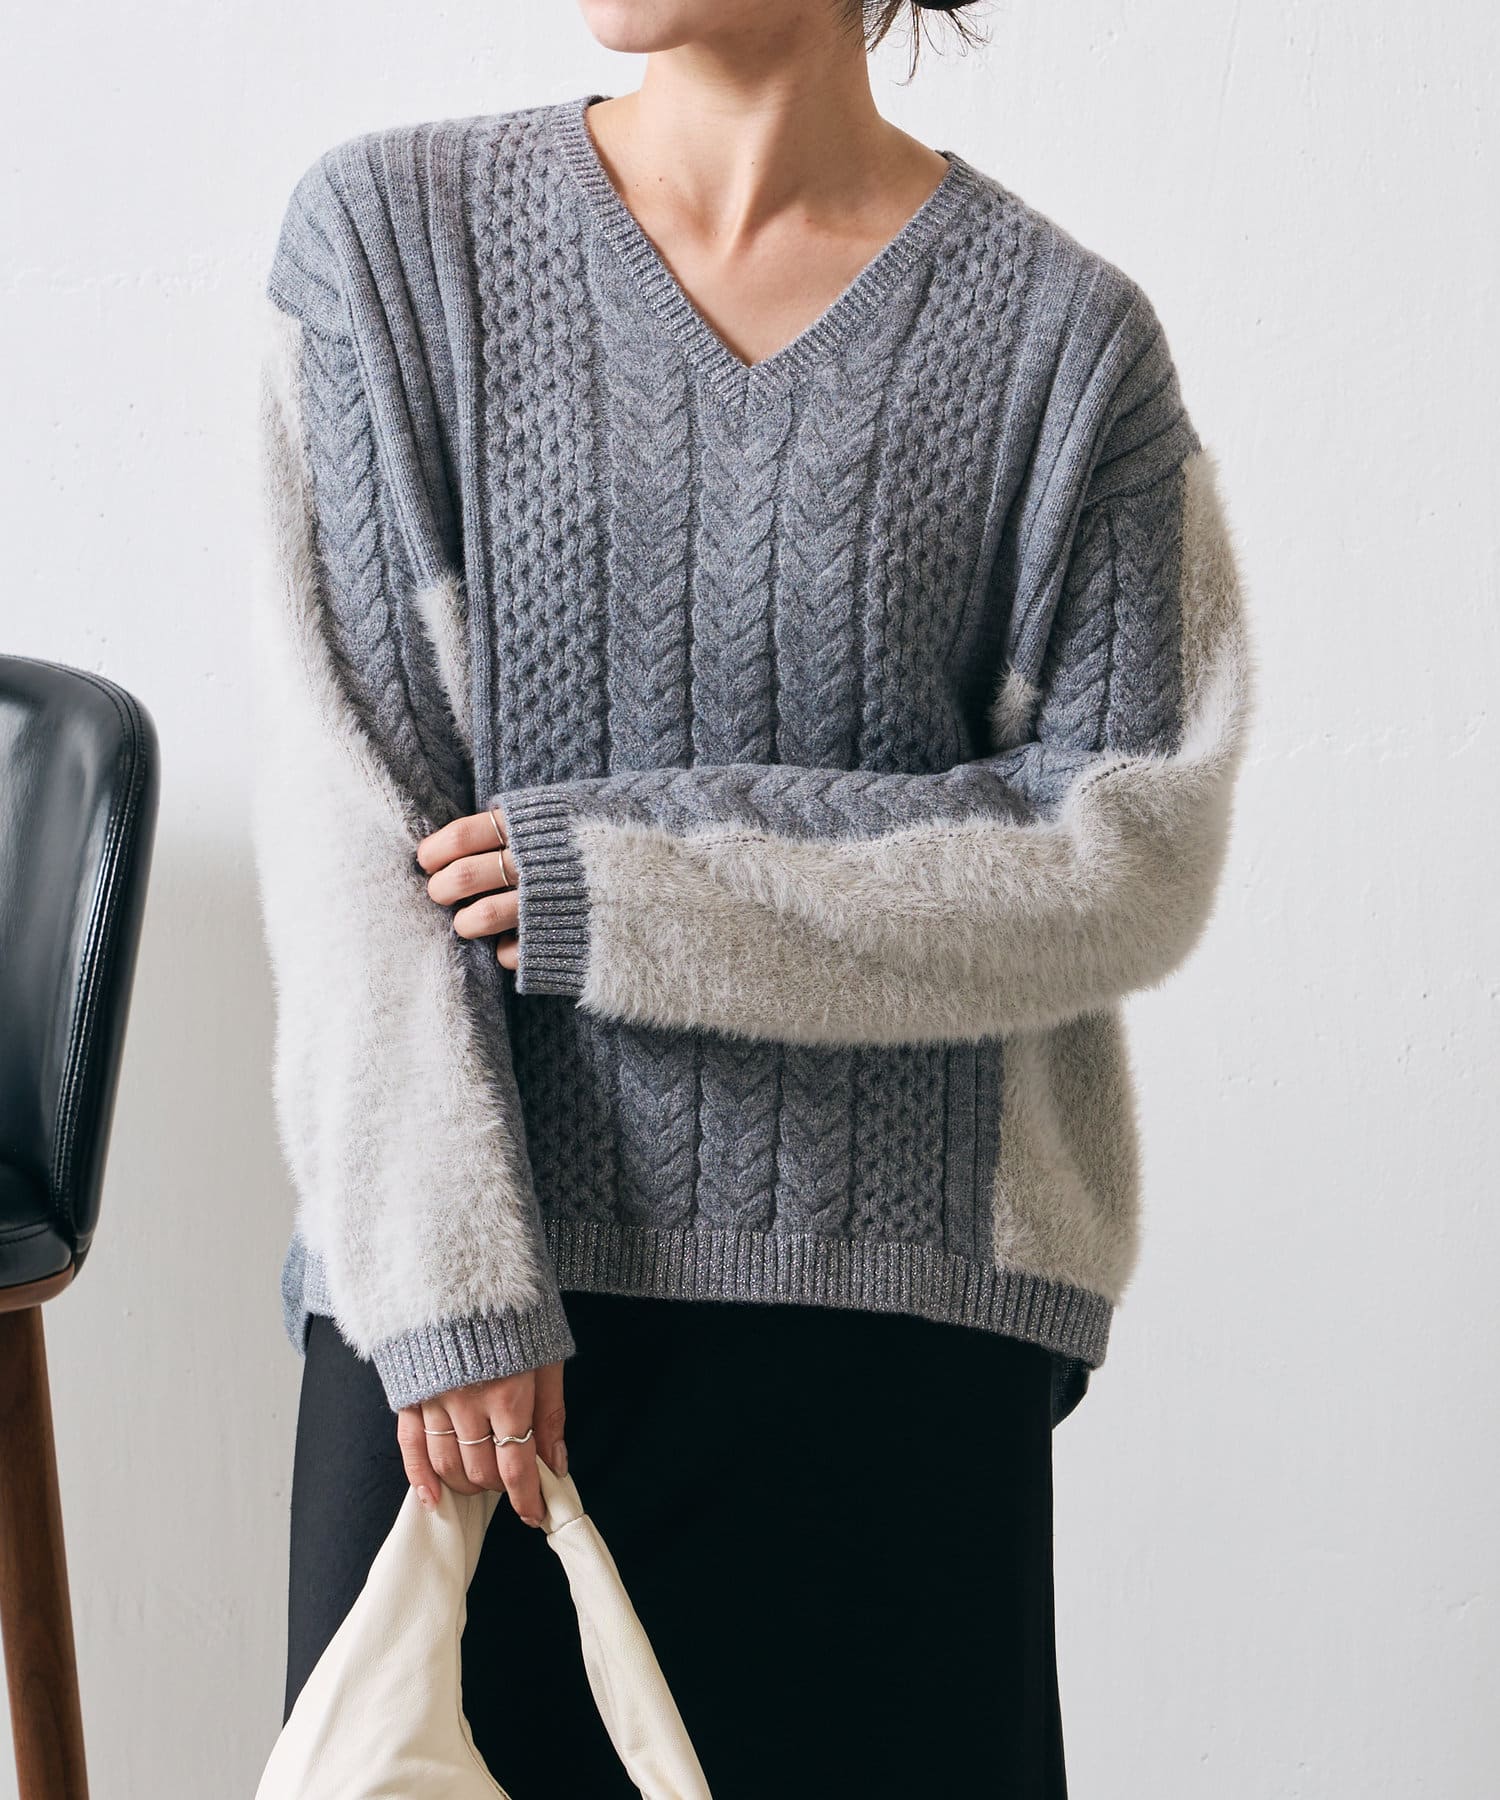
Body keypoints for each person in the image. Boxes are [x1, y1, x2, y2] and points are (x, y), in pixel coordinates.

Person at [251, 3, 1255, 1794]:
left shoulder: (1064, 347)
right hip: (470, 1341)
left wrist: (634, 889)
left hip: (894, 1348)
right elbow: (351, 828)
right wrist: (450, 1284)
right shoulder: (391, 248)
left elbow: (1128, 852)